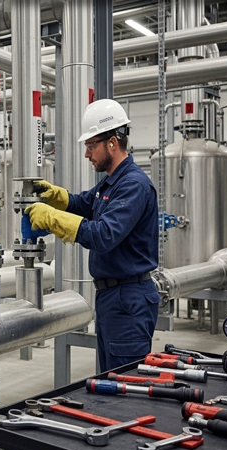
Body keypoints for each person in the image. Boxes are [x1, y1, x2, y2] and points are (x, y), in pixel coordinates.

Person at [24, 99, 160, 373]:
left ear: (112, 142)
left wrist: (51, 217)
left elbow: (103, 235)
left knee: (125, 387)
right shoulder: (113, 181)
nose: (87, 154)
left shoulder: (133, 185)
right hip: (114, 297)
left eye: (90, 145)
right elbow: (84, 203)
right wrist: (58, 197)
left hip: (128, 299)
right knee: (111, 382)